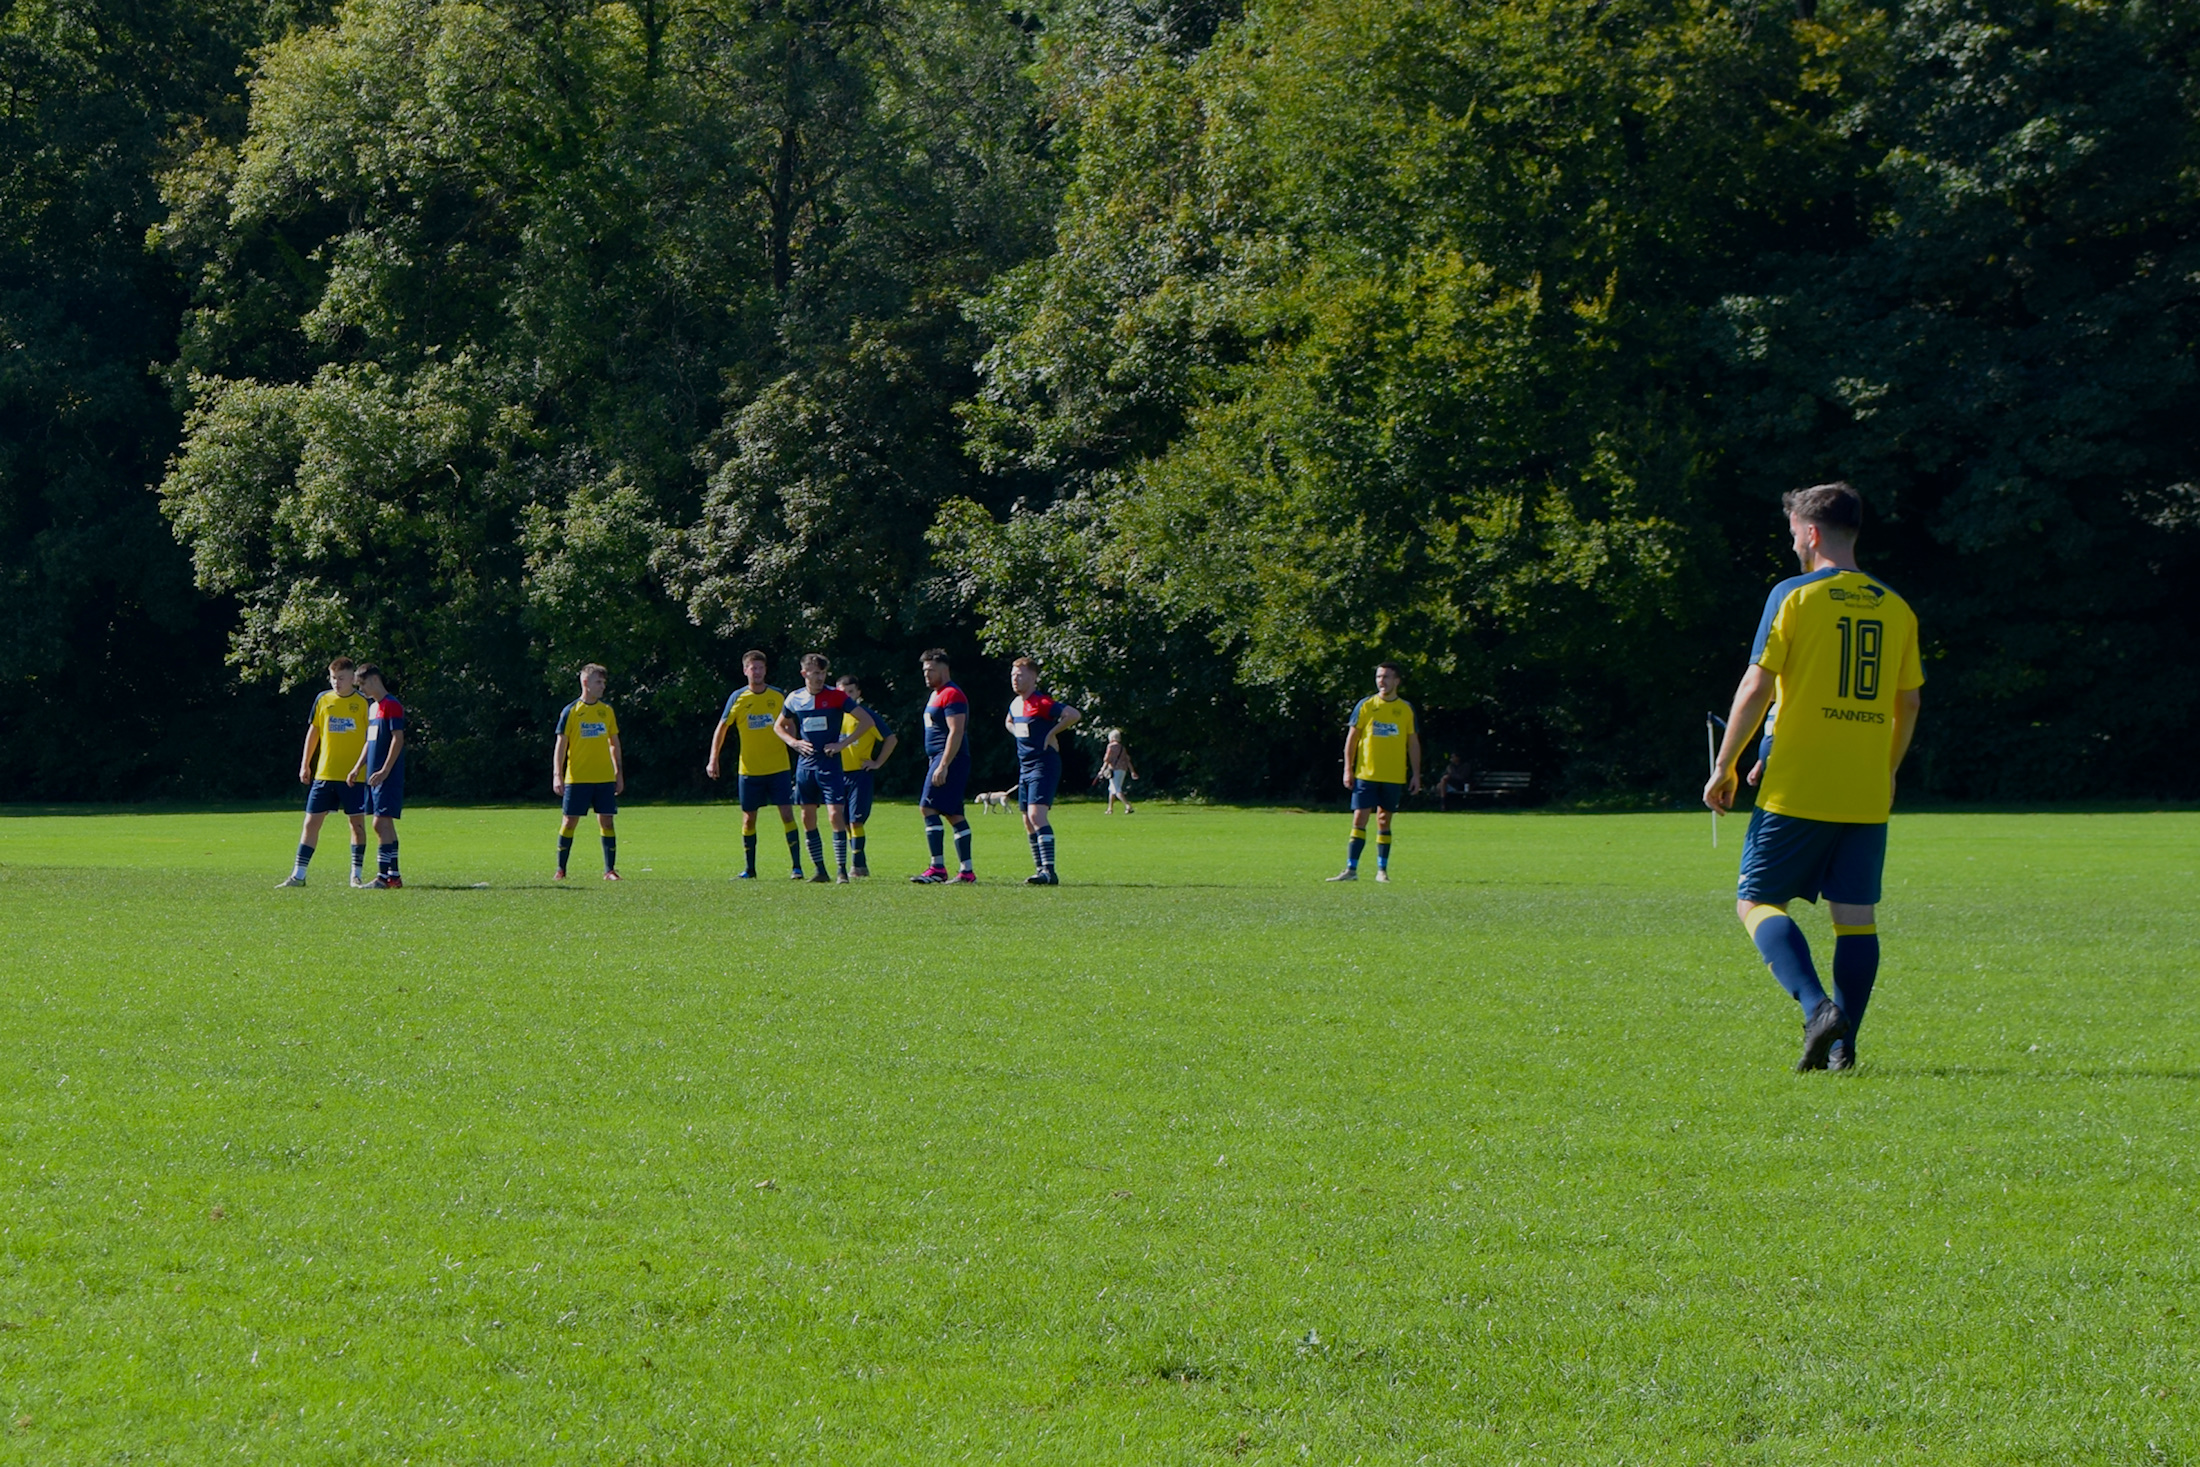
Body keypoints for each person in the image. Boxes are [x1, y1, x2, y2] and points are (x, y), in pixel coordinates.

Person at [1704, 482, 1924, 1073]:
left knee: (1755, 901)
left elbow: (1757, 684)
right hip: (1865, 787)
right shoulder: (1897, 607)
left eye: (1794, 533)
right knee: (1855, 918)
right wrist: (1888, 769)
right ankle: (1844, 1050)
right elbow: (1908, 702)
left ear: (1811, 532)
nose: (1793, 544)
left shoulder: (1793, 595)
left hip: (1799, 783)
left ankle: (1817, 1008)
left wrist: (1724, 765)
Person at [780, 653, 875, 884]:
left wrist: (842, 744)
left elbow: (866, 721)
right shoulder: (795, 698)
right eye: (815, 673)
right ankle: (820, 870)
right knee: (807, 817)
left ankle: (841, 870)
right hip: (805, 766)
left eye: (823, 673)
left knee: (835, 815)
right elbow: (778, 726)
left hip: (830, 765)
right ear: (804, 673)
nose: (820, 677)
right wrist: (793, 742)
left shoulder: (837, 696)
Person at [707, 650, 802, 879]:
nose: (757, 672)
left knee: (787, 814)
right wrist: (713, 759)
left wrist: (795, 743)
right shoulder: (738, 697)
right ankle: (750, 869)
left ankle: (797, 867)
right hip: (749, 769)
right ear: (745, 670)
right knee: (749, 818)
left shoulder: (778, 696)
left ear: (765, 670)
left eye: (760, 668)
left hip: (778, 767)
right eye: (753, 668)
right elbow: (722, 728)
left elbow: (790, 723)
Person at [277, 658, 371, 888]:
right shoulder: (323, 699)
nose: (336, 683)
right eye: (333, 678)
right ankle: (298, 875)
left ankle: (356, 875)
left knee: (357, 825)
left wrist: (361, 767)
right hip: (325, 774)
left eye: (341, 678)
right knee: (311, 823)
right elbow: (314, 732)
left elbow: (371, 739)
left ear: (352, 678)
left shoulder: (363, 703)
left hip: (354, 777)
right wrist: (305, 764)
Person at [1329, 662, 1422, 882]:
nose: (1382, 681)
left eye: (1386, 677)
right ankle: (1351, 870)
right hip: (1366, 774)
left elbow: (1413, 743)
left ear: (1396, 681)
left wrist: (1416, 774)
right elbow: (1352, 739)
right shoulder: (1366, 705)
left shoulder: (1405, 709)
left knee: (1383, 820)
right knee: (1359, 817)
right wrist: (1348, 769)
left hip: (1393, 775)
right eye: (1379, 676)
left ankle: (1382, 870)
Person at [1006, 657, 1081, 885]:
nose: (1015, 679)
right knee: (1027, 820)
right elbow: (1009, 721)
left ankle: (1049, 871)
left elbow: (1073, 715)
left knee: (1036, 815)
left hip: (1043, 763)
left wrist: (1051, 733)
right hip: (1025, 766)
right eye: (1013, 675)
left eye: (1020, 675)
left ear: (1033, 677)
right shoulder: (1015, 704)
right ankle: (1040, 870)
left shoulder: (1041, 702)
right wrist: (1019, 735)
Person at [552, 663, 624, 881]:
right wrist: (557, 774)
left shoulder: (607, 711)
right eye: (598, 682)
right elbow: (561, 745)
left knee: (607, 821)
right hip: (578, 778)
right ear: (586, 683)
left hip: (604, 778)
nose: (602, 686)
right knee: (569, 822)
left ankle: (609, 870)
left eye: (604, 682)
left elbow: (614, 744)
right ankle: (561, 869)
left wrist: (618, 773)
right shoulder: (571, 712)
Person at [910, 648, 976, 883]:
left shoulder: (952, 694)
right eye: (924, 670)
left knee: (927, 807)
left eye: (931, 670)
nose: (926, 675)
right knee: (954, 814)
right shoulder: (936, 694)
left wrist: (944, 764)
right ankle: (966, 871)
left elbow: (956, 731)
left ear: (944, 670)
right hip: (939, 758)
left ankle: (937, 868)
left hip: (949, 758)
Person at [350, 664, 406, 889]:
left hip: (386, 776)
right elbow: (369, 741)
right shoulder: (373, 708)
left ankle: (382, 877)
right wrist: (357, 767)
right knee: (385, 825)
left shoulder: (392, 705)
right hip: (373, 777)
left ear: (374, 680)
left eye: (362, 684)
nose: (361, 689)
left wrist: (385, 770)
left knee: (379, 823)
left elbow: (397, 738)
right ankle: (394, 876)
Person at [835, 674, 897, 877]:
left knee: (856, 821)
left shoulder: (867, 716)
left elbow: (891, 739)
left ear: (858, 693)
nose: (847, 697)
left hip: (859, 775)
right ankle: (858, 864)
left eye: (851, 692)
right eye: (842, 693)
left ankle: (858, 864)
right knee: (844, 822)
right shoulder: (834, 716)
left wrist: (877, 763)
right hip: (838, 775)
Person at [1095, 731, 1138, 814]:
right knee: (1112, 789)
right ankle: (1110, 809)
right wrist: (1132, 771)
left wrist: (1102, 770)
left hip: (1114, 770)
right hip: (1123, 770)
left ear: (1111, 737)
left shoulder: (1110, 746)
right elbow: (1127, 760)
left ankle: (1128, 805)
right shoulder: (1122, 748)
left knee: (1117, 789)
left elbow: (1107, 759)